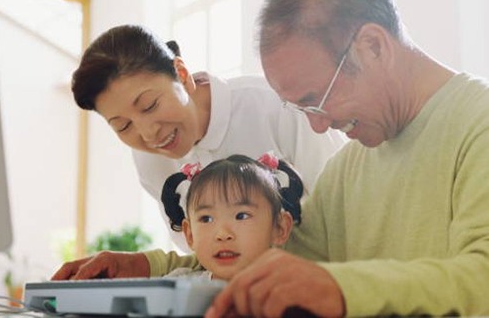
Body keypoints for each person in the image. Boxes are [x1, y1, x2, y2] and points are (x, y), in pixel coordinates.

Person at [202, 0, 489, 317]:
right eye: (301, 110)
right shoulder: (342, 172)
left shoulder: (478, 124)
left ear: (373, 46)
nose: (318, 126)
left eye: (317, 101)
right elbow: (266, 258)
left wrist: (342, 289)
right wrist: (153, 268)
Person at [52, 25, 346, 280]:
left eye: (150, 105)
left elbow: (344, 222)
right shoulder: (150, 159)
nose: (148, 134)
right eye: (123, 125)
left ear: (181, 74)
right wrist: (145, 265)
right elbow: (210, 259)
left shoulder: (275, 106)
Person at [161, 153, 302, 280]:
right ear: (190, 234)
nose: (223, 234)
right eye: (206, 219)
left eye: (241, 216)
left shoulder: (293, 293)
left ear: (279, 227)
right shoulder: (177, 289)